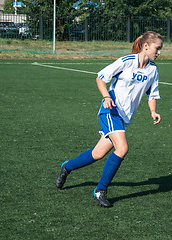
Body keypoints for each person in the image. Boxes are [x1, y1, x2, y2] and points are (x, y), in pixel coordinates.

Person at [55, 31, 163, 207]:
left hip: (125, 117)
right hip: (111, 111)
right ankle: (100, 190)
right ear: (146, 46)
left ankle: (67, 167)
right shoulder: (126, 62)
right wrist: (106, 97)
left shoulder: (153, 70)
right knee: (122, 148)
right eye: (157, 49)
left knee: (97, 154)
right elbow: (100, 78)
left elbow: (152, 93)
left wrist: (153, 111)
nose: (159, 52)